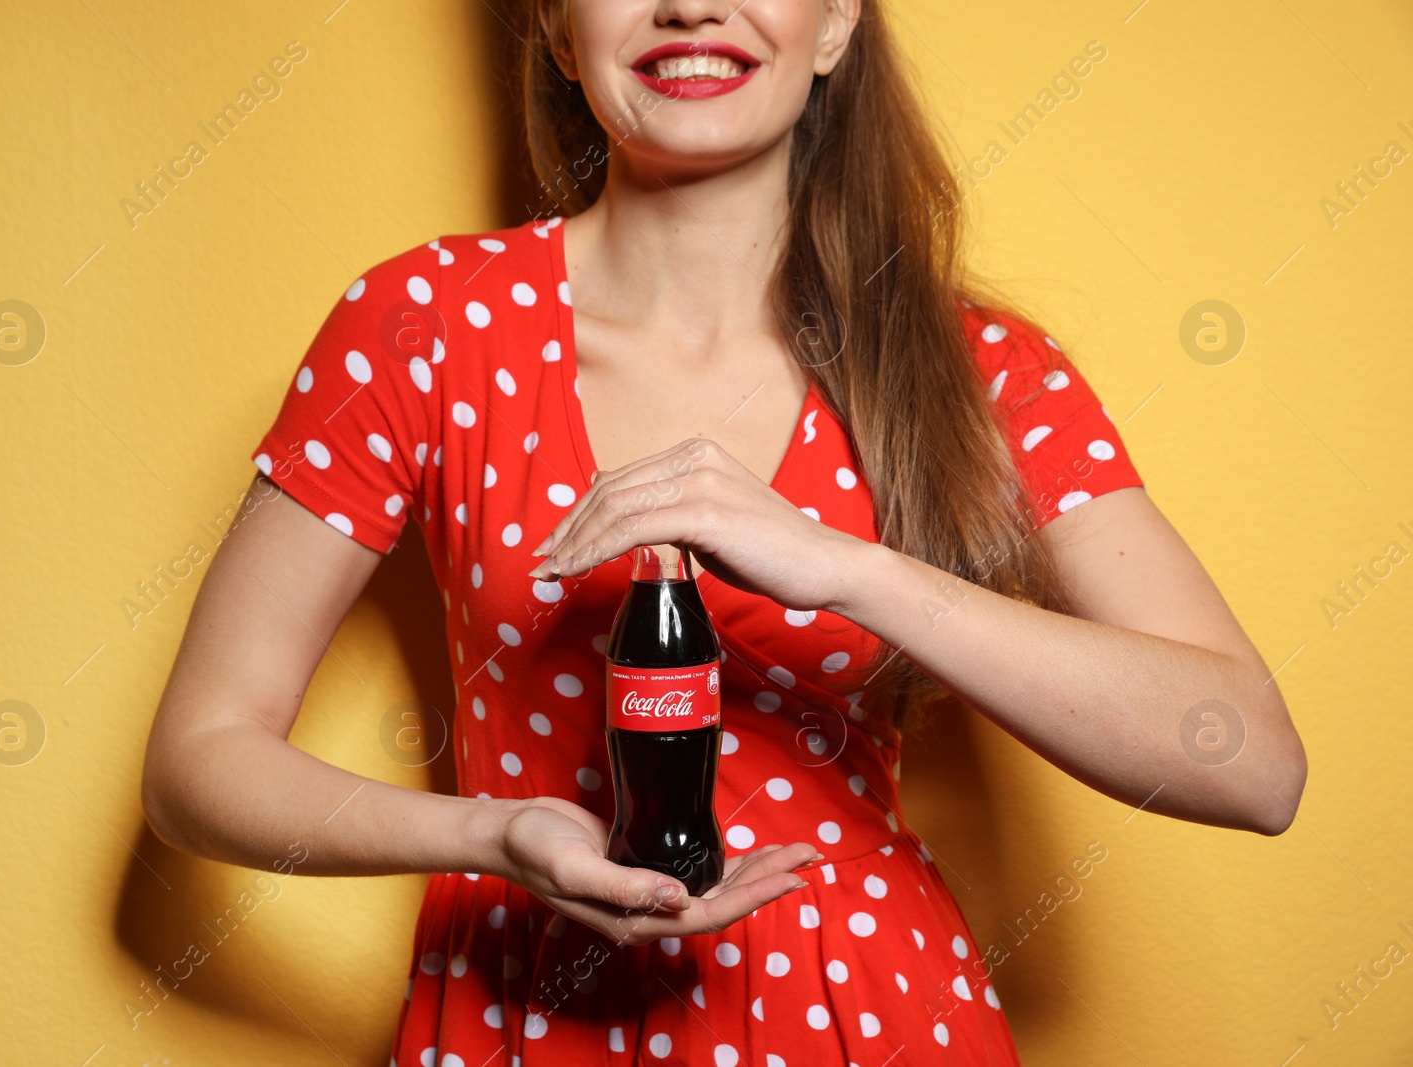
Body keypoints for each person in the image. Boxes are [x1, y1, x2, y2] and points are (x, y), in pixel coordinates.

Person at [140, 1, 1309, 1063]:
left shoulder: (974, 373)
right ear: (555, 26)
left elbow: (1251, 762)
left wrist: (850, 568)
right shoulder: (426, 326)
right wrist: (492, 833)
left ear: (840, 20)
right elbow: (199, 758)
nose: (690, 2)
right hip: (527, 1006)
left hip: (873, 1013)